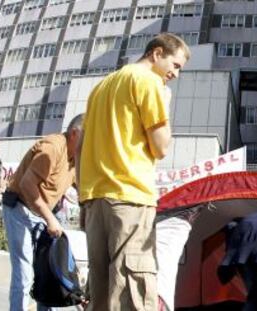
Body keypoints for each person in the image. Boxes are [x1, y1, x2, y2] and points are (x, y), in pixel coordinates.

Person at [76, 33, 190, 310]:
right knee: (133, 291)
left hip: (95, 198)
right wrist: (165, 100)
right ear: (157, 53)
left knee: (100, 293)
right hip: (130, 198)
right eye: (175, 65)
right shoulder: (149, 82)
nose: (175, 74)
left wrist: (82, 196)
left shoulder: (101, 87)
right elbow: (161, 146)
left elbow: (79, 147)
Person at [2, 114, 83, 311]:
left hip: (42, 216)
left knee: (47, 274)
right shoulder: (53, 148)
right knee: (24, 273)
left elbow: (85, 192)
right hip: (19, 209)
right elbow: (27, 184)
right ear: (75, 133)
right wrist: (50, 219)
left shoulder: (76, 160)